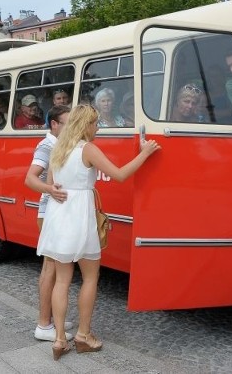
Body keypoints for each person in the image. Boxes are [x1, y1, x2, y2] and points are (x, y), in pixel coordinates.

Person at [37, 104, 160, 360]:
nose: (98, 128)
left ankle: (59, 339)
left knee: (62, 280)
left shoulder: (59, 147)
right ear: (86, 125)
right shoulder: (88, 149)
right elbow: (120, 175)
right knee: (90, 277)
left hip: (58, 215)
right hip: (80, 216)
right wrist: (145, 153)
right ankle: (83, 335)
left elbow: (50, 184)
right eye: (95, 123)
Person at [24, 105, 73, 342]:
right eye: (67, 122)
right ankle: (44, 325)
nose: (72, 127)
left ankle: (52, 317)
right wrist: (49, 189)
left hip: (55, 211)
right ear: (54, 124)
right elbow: (30, 178)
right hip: (49, 210)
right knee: (50, 267)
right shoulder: (47, 146)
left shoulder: (59, 144)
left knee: (53, 266)